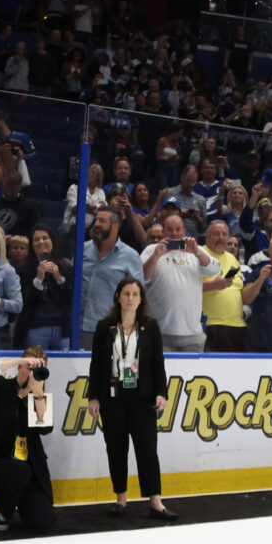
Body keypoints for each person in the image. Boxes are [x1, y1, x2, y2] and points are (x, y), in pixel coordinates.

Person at [86, 277, 177, 520]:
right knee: (116, 449)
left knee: (147, 449)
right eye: (126, 293)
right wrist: (93, 396)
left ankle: (155, 502)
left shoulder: (150, 326)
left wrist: (162, 392)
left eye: (135, 294)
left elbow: (158, 363)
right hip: (112, 397)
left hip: (142, 397)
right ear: (118, 296)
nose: (130, 298)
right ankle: (121, 499)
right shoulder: (105, 327)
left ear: (141, 299)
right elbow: (96, 365)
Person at [0, 347, 54, 533]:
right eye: (28, 366)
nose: (30, 372)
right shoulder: (2, 388)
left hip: (29, 469)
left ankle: (21, 500)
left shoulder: (39, 398)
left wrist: (37, 394)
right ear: (21, 366)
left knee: (43, 523)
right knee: (18, 470)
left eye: (36, 368)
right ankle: (2, 507)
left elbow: (45, 428)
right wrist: (16, 361)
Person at [141, 214, 219, 352]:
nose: (174, 233)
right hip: (159, 333)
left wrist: (197, 252)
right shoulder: (151, 250)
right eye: (170, 229)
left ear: (184, 231)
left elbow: (215, 270)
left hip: (193, 334)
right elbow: (142, 279)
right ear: (163, 231)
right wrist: (156, 256)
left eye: (178, 229)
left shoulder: (195, 249)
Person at [81, 209, 144, 346]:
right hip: (77, 327)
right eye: (96, 220)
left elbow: (138, 296)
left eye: (101, 221)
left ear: (115, 225)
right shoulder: (82, 249)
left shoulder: (130, 256)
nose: (96, 224)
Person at [13, 224, 73, 351]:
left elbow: (71, 297)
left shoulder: (66, 266)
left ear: (52, 241)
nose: (41, 242)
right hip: (35, 327)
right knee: (35, 368)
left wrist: (58, 277)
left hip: (63, 328)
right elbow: (23, 301)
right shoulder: (24, 270)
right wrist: (38, 279)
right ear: (32, 245)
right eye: (36, 239)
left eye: (45, 238)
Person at [201, 220, 251, 351]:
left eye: (224, 234)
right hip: (210, 325)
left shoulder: (232, 259)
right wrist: (213, 285)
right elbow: (187, 287)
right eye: (216, 234)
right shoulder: (199, 255)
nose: (221, 238)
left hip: (237, 326)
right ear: (207, 236)